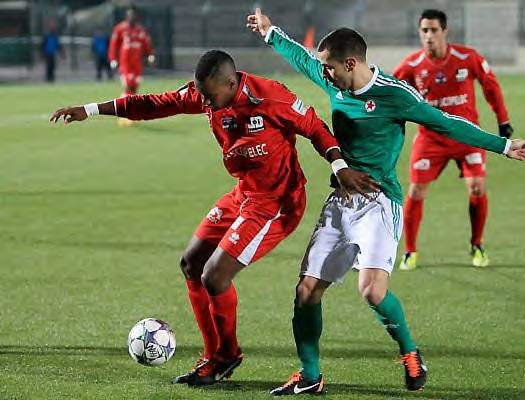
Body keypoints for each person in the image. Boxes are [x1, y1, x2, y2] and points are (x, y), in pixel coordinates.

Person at [248, 9, 525, 395]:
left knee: (372, 291)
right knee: (306, 291)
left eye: (329, 67)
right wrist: (271, 34)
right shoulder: (336, 82)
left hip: (380, 202)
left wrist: (502, 145)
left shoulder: (394, 94)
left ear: (351, 63)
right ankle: (310, 374)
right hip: (341, 200)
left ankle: (410, 352)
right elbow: (301, 58)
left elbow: (446, 121)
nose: (324, 74)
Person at [50, 50, 376, 387]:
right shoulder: (207, 95)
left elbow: (315, 128)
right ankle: (213, 356)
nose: (204, 102)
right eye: (201, 95)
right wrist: (90, 110)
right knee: (191, 263)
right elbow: (154, 103)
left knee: (215, 276)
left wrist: (339, 166)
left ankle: (226, 355)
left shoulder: (269, 96)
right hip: (244, 194)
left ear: (231, 83)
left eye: (209, 95)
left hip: (277, 202)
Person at [392, 9, 513, 270]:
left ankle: (477, 244)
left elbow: (490, 86)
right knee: (414, 191)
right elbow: (389, 93)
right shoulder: (411, 65)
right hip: (430, 139)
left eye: (434, 30)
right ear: (419, 33)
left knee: (477, 187)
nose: (429, 35)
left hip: (467, 136)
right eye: (424, 30)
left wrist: (503, 120)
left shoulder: (467, 58)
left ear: (444, 31)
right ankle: (410, 251)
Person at [109, 6, 155, 124]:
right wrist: (113, 59)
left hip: (137, 65)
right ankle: (123, 114)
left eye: (133, 15)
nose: (132, 17)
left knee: (134, 89)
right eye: (130, 15)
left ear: (136, 17)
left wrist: (150, 55)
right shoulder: (120, 29)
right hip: (125, 65)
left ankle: (129, 113)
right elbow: (114, 44)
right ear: (127, 16)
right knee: (127, 87)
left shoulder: (141, 30)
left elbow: (147, 43)